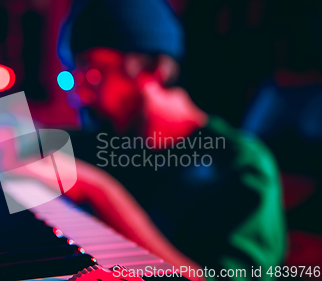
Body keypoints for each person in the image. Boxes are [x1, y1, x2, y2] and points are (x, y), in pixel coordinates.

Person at [33, 0, 285, 280]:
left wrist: (101, 192)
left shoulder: (241, 165)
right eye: (73, 78)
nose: (82, 96)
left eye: (94, 74)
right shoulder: (109, 140)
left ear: (153, 69)